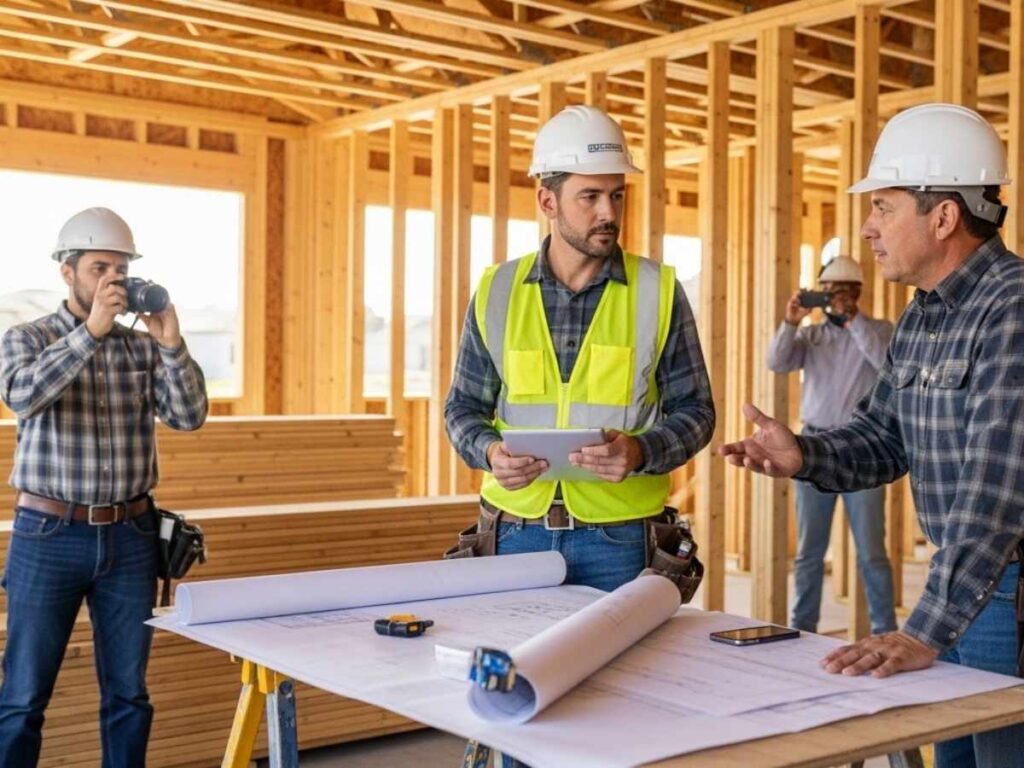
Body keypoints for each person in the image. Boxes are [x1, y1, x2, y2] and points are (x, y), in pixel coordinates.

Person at [721, 103, 1024, 768]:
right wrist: (806, 453)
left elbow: (993, 498)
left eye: (883, 206)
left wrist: (923, 630)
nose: (867, 227)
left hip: (1004, 595)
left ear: (942, 217)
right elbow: (884, 436)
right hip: (967, 588)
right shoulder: (924, 317)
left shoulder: (1013, 309)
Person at [445, 104, 714, 591]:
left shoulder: (658, 290)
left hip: (623, 540)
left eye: (616, 195)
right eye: (589, 197)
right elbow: (462, 408)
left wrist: (641, 450)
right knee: (516, 669)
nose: (608, 213)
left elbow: (697, 411)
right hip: (513, 534)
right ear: (548, 202)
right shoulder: (497, 290)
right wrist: (490, 452)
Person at [0, 207, 209, 767]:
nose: (113, 281)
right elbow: (21, 396)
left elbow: (189, 417)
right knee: (22, 700)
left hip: (131, 538)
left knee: (128, 696)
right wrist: (89, 335)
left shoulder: (140, 348)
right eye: (99, 268)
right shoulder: (26, 337)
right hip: (47, 535)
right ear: (67, 273)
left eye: (121, 269)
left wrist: (170, 343)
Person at [768, 255, 897, 636]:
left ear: (856, 292)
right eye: (825, 291)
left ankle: (885, 633)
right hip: (814, 446)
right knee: (809, 552)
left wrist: (854, 320)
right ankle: (802, 629)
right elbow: (777, 363)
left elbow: (884, 364)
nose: (831, 298)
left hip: (863, 449)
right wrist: (790, 322)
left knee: (872, 552)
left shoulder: (880, 330)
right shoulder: (812, 335)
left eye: (839, 291)